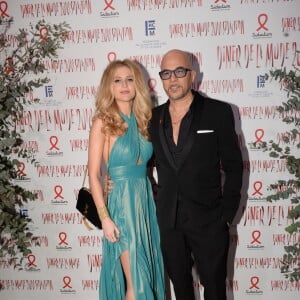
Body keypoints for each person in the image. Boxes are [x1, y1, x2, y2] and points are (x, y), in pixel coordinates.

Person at [149, 49, 243, 300]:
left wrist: (226, 215)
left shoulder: (218, 112)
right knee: (181, 288)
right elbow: (144, 165)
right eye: (166, 73)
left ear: (193, 75)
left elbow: (234, 166)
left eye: (180, 71)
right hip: (169, 222)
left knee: (214, 289)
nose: (173, 79)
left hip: (210, 220)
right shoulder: (153, 118)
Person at [88, 59, 165, 300]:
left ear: (138, 85)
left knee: (148, 277)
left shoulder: (146, 120)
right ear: (108, 87)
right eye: (117, 80)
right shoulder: (103, 121)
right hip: (121, 206)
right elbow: (94, 174)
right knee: (137, 281)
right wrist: (105, 218)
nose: (124, 85)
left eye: (130, 79)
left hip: (144, 206)